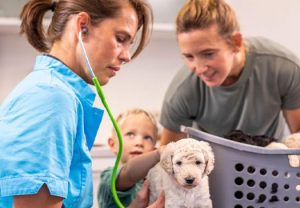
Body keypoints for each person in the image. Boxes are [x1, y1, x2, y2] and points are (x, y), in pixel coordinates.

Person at [0, 0, 164, 207]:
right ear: (82, 26)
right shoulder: (51, 98)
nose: (127, 56)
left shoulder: (57, 93)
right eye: (121, 39)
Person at [160, 0, 300, 145]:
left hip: (269, 162)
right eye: (189, 57)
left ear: (236, 42)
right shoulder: (182, 91)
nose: (199, 68)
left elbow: (298, 138)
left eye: (208, 54)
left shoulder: (283, 68)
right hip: (212, 163)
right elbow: (166, 157)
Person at [97, 108, 164, 207]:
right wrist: (159, 154)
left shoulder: (154, 180)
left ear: (153, 148)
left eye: (147, 138)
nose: (139, 143)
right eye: (130, 134)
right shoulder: (108, 177)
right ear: (112, 144)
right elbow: (128, 172)